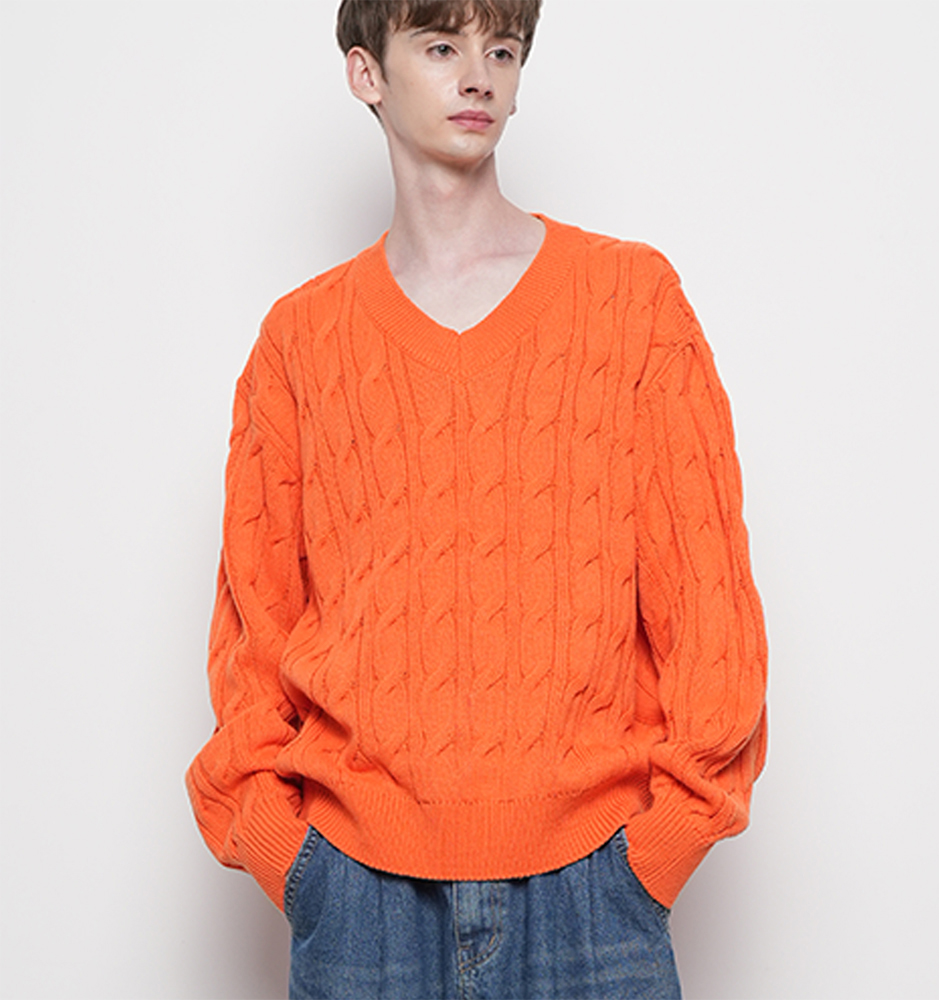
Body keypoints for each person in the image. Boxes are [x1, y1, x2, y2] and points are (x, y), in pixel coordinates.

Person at [186, 1, 767, 997]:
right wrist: (298, 864)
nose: (478, 75)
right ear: (366, 73)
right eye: (441, 46)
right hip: (360, 901)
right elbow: (255, 630)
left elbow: (709, 607)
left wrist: (656, 852)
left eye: (501, 49)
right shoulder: (301, 342)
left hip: (594, 891)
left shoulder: (630, 301)